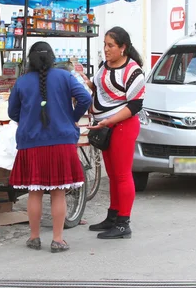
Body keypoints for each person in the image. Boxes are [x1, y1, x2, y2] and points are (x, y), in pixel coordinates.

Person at [8, 41, 92, 253]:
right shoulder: (65, 77)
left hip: (31, 143)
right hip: (61, 142)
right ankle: (57, 239)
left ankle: (34, 237)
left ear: (31, 60)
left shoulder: (22, 82)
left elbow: (12, 113)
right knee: (58, 192)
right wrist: (71, 117)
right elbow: (85, 98)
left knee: (33, 192)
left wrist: (27, 119)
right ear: (53, 58)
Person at [88, 27, 145, 239]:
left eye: (111, 45)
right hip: (106, 126)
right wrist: (82, 82)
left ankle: (123, 223)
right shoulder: (104, 66)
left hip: (122, 126)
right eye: (105, 45)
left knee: (122, 175)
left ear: (123, 48)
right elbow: (98, 88)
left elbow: (135, 105)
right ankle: (112, 216)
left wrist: (109, 121)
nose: (106, 49)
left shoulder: (133, 70)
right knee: (112, 175)